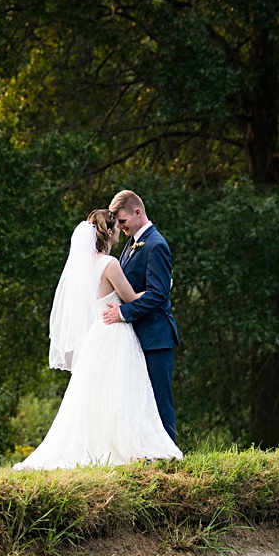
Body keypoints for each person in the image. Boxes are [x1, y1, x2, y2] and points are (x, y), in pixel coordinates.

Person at [14, 209, 181, 470]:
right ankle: (126, 445)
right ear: (110, 231)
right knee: (123, 393)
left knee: (101, 395)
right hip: (115, 333)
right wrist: (164, 286)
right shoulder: (110, 264)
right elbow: (131, 298)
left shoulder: (87, 265)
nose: (121, 231)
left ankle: (104, 444)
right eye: (118, 226)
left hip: (97, 336)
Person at [102, 190, 179, 447]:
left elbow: (158, 295)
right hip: (138, 336)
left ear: (137, 213)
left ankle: (170, 455)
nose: (119, 227)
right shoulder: (130, 244)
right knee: (140, 401)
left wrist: (122, 313)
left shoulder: (156, 245)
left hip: (156, 336)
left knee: (159, 400)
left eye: (122, 221)